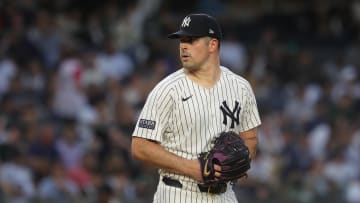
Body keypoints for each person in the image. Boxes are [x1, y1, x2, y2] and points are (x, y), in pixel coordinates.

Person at [131, 13, 261, 203]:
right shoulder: (167, 90)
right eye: (182, 40)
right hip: (178, 193)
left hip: (225, 195)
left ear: (212, 45)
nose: (183, 46)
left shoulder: (241, 87)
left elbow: (250, 138)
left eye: (191, 40)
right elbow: (139, 147)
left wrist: (236, 164)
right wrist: (191, 167)